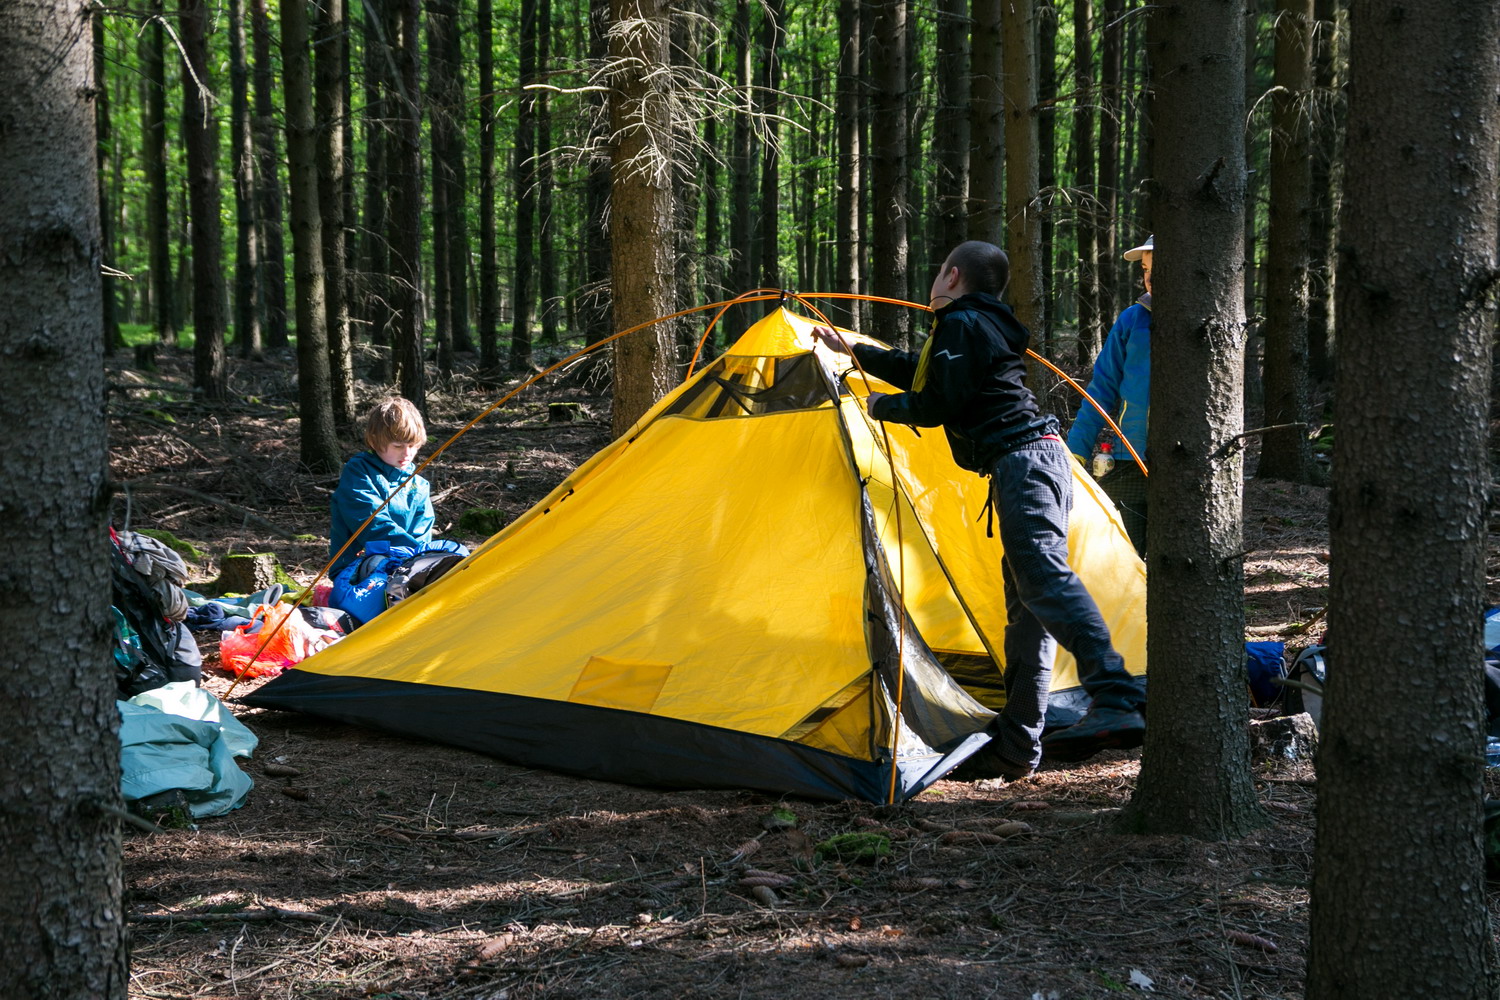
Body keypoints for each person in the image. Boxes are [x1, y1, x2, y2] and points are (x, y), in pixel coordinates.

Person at [811, 240, 1146, 776]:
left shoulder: (963, 323)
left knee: (1043, 579)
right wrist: (856, 352)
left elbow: (938, 403)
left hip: (1024, 464)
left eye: (938, 273)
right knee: (1027, 615)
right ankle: (1018, 744)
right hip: (1033, 462)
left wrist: (883, 406)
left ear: (952, 275)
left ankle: (1116, 693)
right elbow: (931, 376)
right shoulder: (979, 325)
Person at [1067, 235, 1152, 557]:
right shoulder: (1132, 319)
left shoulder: (1202, 323)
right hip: (1130, 455)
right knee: (1125, 554)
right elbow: (1101, 388)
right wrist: (1076, 452)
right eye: (1145, 269)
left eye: (1158, 268)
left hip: (1184, 463)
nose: (1149, 277)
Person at [327, 398, 438, 626]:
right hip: (357, 572)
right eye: (398, 446)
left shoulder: (418, 485)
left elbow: (422, 532)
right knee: (380, 562)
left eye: (413, 445)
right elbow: (371, 523)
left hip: (404, 566)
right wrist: (413, 555)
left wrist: (426, 559)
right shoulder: (359, 472)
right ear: (376, 441)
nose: (407, 453)